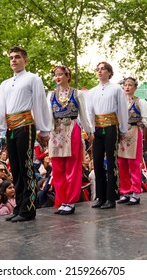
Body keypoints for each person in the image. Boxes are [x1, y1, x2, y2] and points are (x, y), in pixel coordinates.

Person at [0, 46, 52, 222]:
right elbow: (1, 108)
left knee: (26, 167)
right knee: (16, 169)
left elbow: (40, 104)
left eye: (17, 57)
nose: (13, 60)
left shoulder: (33, 79)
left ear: (25, 60)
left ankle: (29, 208)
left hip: (26, 125)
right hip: (11, 128)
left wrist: (43, 128)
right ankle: (19, 206)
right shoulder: (4, 84)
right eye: (11, 57)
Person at [47, 65, 93, 215]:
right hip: (56, 130)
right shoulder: (51, 95)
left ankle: (70, 201)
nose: (58, 77)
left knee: (72, 166)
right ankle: (61, 200)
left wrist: (89, 130)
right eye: (56, 74)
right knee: (57, 167)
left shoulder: (77, 93)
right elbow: (48, 115)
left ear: (68, 76)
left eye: (61, 74)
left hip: (72, 127)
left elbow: (83, 114)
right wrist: (45, 131)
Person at [87, 61, 128, 209]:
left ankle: (111, 197)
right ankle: (101, 196)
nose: (100, 72)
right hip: (97, 128)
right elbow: (89, 112)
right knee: (97, 161)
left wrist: (123, 129)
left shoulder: (117, 89)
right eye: (98, 69)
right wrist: (90, 129)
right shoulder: (92, 92)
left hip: (111, 126)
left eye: (103, 69)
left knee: (111, 161)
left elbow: (122, 110)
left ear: (109, 72)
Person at [117, 77, 147, 205]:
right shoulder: (119, 103)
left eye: (130, 85)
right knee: (121, 163)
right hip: (121, 134)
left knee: (134, 164)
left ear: (135, 88)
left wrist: (143, 122)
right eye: (125, 85)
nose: (127, 87)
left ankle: (135, 192)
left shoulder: (140, 102)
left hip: (134, 131)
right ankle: (125, 191)